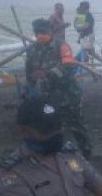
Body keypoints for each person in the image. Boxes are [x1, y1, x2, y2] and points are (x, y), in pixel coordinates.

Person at [24, 18, 91, 157]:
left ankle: (86, 153)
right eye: (37, 32)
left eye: (43, 32)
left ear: (50, 31)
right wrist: (30, 84)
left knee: (75, 125)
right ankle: (53, 154)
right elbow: (29, 72)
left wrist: (48, 73)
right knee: (49, 125)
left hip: (67, 94)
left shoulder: (62, 46)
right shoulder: (32, 49)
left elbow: (68, 66)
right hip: (47, 96)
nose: (40, 35)